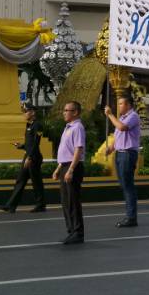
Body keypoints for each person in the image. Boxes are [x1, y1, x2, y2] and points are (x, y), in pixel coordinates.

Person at [0, 105, 47, 213]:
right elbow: (29, 143)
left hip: (33, 157)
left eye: (26, 111)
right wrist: (21, 146)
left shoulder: (38, 125)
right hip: (28, 156)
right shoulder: (29, 125)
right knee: (20, 181)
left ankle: (41, 205)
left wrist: (29, 157)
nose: (24, 114)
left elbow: (36, 143)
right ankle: (11, 206)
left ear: (33, 112)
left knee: (36, 182)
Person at [104, 94, 141, 228]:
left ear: (128, 105)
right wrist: (111, 147)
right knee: (124, 185)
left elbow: (122, 128)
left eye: (121, 104)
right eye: (118, 103)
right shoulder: (122, 118)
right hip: (120, 153)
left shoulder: (133, 116)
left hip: (128, 154)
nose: (119, 106)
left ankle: (131, 217)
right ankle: (130, 215)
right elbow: (118, 135)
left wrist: (110, 115)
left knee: (128, 185)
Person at [57, 101, 87, 245]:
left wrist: (70, 170)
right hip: (65, 166)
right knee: (65, 201)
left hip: (72, 167)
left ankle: (78, 233)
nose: (64, 113)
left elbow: (78, 150)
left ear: (75, 112)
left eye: (66, 110)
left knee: (73, 201)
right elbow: (66, 150)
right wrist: (58, 168)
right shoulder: (68, 128)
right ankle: (71, 231)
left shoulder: (77, 127)